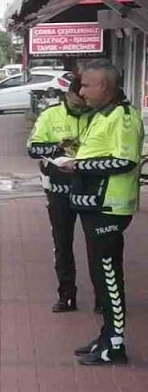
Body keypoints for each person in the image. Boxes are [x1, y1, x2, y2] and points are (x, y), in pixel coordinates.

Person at [62, 58, 143, 366]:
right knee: (99, 273)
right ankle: (107, 335)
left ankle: (115, 344)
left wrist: (79, 165)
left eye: (86, 84)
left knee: (109, 276)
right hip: (95, 204)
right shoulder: (103, 114)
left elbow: (125, 161)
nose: (80, 91)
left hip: (110, 206)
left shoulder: (122, 116)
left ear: (104, 86)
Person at [27, 76, 92, 313]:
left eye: (82, 105)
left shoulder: (95, 114)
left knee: (95, 245)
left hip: (89, 188)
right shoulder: (50, 116)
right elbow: (33, 149)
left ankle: (100, 298)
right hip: (59, 190)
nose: (79, 109)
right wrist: (58, 148)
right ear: (67, 96)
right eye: (75, 104)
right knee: (62, 244)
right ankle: (67, 296)